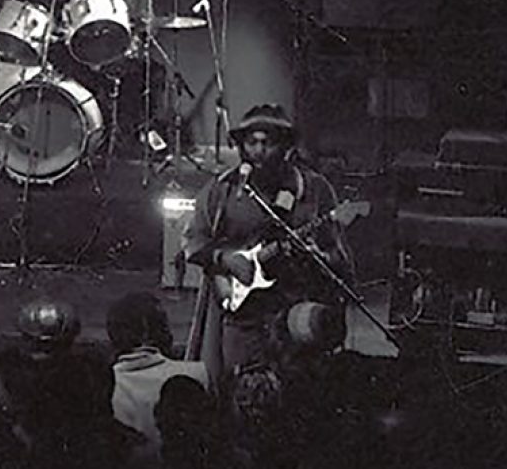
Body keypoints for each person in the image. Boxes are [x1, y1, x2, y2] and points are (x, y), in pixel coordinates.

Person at [183, 104, 353, 387]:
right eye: (252, 142)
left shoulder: (313, 190)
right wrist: (224, 259)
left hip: (295, 314)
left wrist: (319, 257)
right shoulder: (223, 189)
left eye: (268, 142)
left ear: (286, 147)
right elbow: (193, 239)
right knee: (239, 390)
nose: (259, 150)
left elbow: (340, 257)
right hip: (242, 316)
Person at [106, 292, 209, 454]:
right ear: (148, 333)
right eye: (164, 326)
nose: (170, 334)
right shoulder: (197, 375)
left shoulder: (103, 388)